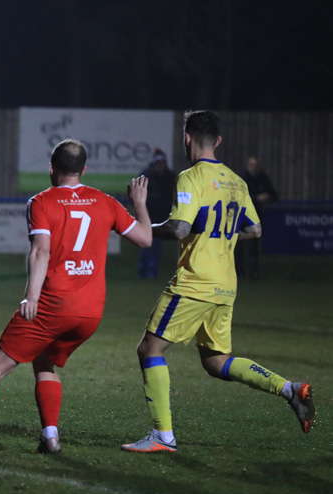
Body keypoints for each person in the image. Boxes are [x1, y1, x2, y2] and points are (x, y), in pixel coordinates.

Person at [0, 139, 153, 455]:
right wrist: (139, 202)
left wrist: (30, 296)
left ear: (51, 169)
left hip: (53, 305)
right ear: (83, 169)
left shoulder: (41, 202)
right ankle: (51, 437)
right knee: (44, 362)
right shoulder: (105, 201)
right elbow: (145, 239)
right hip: (90, 313)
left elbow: (41, 250)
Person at [123, 110, 314, 454]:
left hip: (195, 282)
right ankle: (290, 389)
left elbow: (179, 228)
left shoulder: (190, 177)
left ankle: (163, 436)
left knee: (149, 349)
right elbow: (254, 230)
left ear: (186, 138)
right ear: (219, 141)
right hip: (226, 283)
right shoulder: (236, 181)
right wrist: (219, 235)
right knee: (216, 361)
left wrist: (139, 226)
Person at [235, 156, 279, 280]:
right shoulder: (242, 178)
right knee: (239, 246)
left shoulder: (262, 178)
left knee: (253, 245)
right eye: (251, 165)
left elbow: (274, 195)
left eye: (256, 165)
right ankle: (239, 272)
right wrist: (256, 198)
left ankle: (253, 272)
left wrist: (267, 197)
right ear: (248, 165)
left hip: (256, 216)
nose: (254, 167)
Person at [136, 148, 176, 279]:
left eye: (162, 163)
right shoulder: (145, 176)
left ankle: (152, 272)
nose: (160, 166)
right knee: (146, 245)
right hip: (147, 217)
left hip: (161, 218)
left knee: (156, 246)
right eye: (158, 163)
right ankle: (143, 271)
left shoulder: (170, 178)